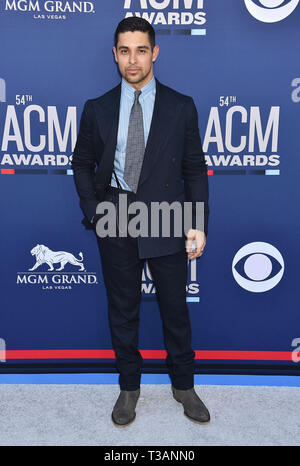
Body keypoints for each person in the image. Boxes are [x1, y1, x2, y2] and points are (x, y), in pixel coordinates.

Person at [71, 16, 210, 426]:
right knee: (123, 308)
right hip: (115, 214)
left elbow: (194, 169)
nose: (133, 60)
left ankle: (183, 386)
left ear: (155, 52)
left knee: (174, 308)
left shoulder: (180, 106)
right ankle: (129, 387)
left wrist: (197, 221)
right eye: (125, 51)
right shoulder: (96, 109)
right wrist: (94, 211)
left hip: (167, 215)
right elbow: (81, 164)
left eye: (141, 50)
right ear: (115, 55)